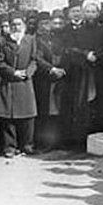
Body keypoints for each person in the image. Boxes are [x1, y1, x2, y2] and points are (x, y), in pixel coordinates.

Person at [60, 0, 103, 149]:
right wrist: (86, 54)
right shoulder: (78, 31)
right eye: (88, 12)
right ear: (84, 13)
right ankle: (80, 142)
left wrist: (97, 56)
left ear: (98, 13)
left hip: (100, 70)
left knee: (99, 104)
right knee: (82, 106)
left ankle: (98, 139)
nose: (90, 15)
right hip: (81, 72)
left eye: (93, 12)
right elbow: (72, 49)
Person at [0, 13, 38, 158]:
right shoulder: (2, 41)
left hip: (25, 82)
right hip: (9, 82)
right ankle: (10, 147)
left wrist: (28, 73)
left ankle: (27, 145)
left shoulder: (30, 40)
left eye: (18, 24)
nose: (16, 27)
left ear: (23, 25)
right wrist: (13, 72)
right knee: (8, 116)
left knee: (28, 115)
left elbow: (34, 60)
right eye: (13, 25)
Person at [33, 11, 66, 151]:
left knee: (56, 111)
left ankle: (57, 141)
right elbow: (37, 58)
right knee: (44, 112)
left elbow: (62, 53)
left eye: (48, 23)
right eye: (43, 24)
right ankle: (44, 143)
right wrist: (52, 69)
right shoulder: (35, 39)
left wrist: (62, 68)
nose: (46, 26)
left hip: (58, 79)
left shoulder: (56, 38)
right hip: (43, 79)